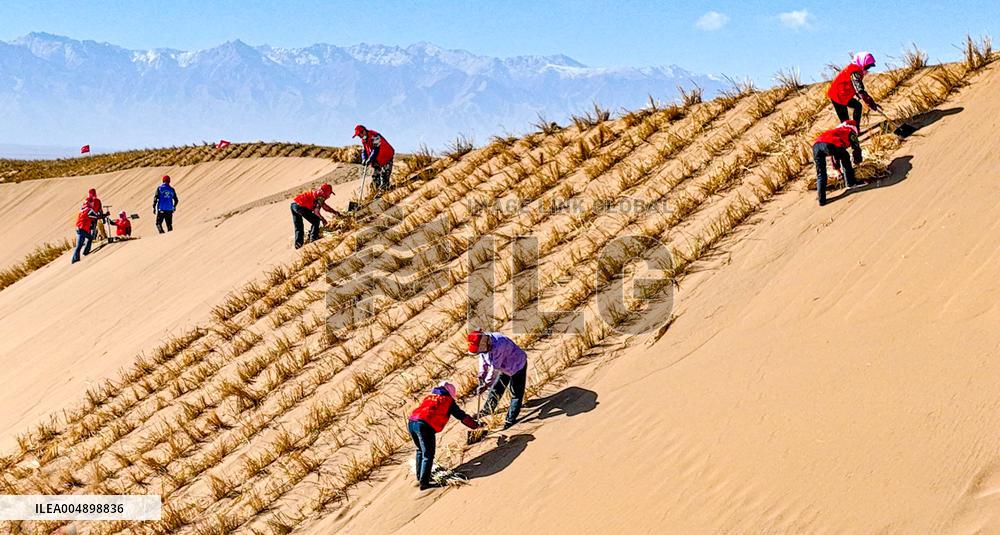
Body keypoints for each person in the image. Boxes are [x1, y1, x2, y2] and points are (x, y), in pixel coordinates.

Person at [408, 381, 480, 490]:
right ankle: (424, 483)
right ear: (450, 393)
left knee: (420, 450)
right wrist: (475, 426)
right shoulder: (447, 400)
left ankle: (420, 476)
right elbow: (462, 416)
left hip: (412, 422)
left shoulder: (430, 397)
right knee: (428, 454)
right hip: (425, 425)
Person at [469, 330, 528, 429]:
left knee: (516, 394)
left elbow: (494, 368)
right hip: (504, 368)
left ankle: (510, 419)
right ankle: (488, 409)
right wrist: (481, 374)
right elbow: (483, 358)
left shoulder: (499, 344)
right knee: (496, 389)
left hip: (517, 366)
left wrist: (486, 384)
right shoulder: (483, 344)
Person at [813, 120, 863, 206]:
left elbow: (834, 155)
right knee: (845, 157)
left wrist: (838, 170)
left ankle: (822, 200)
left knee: (821, 174)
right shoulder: (850, 131)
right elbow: (856, 149)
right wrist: (858, 162)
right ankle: (851, 183)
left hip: (816, 146)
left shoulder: (837, 131)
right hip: (830, 144)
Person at [828, 52, 882, 125]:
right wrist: (870, 102)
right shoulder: (854, 71)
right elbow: (859, 88)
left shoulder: (856, 69)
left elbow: (853, 85)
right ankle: (850, 133)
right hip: (837, 96)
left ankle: (855, 128)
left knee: (858, 106)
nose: (867, 69)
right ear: (862, 63)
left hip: (845, 94)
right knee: (845, 121)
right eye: (867, 67)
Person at [290, 183, 335, 249]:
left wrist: (333, 212)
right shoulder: (321, 196)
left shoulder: (317, 193)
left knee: (299, 227)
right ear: (327, 192)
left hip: (294, 205)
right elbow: (320, 210)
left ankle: (298, 245)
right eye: (330, 193)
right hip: (301, 206)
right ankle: (313, 239)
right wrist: (323, 219)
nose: (329, 196)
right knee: (316, 220)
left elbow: (322, 207)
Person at [353, 124, 395, 193]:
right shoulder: (364, 140)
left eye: (360, 135)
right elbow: (364, 150)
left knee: (384, 175)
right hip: (377, 160)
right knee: (375, 177)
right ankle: (374, 192)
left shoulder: (375, 135)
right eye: (358, 136)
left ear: (363, 131)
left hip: (386, 156)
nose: (359, 137)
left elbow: (376, 149)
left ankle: (384, 188)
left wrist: (370, 159)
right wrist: (364, 159)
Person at [71, 191, 100, 263]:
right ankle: (80, 256)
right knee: (88, 239)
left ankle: (76, 258)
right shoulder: (88, 209)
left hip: (80, 228)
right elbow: (96, 216)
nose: (93, 203)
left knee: (80, 244)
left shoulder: (84, 208)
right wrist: (105, 215)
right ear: (90, 203)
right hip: (81, 229)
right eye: (92, 202)